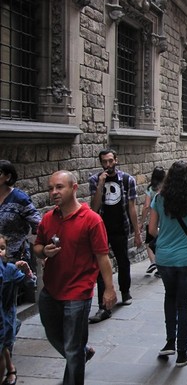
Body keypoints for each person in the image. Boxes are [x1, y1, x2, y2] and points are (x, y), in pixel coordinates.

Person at [34, 170, 117, 385]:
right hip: (51, 290)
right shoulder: (48, 218)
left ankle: (76, 360)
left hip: (78, 293)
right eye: (51, 188)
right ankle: (80, 354)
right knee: (55, 336)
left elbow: (102, 257)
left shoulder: (92, 220)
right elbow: (37, 246)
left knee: (72, 347)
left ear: (74, 188)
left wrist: (109, 289)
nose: (54, 192)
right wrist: (44, 251)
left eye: (59, 187)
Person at [148, 161, 187, 368]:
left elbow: (152, 230)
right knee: (184, 302)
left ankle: (169, 342)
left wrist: (167, 233)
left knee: (169, 297)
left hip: (164, 257)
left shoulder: (159, 198)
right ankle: (182, 351)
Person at [89, 149, 141, 322]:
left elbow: (132, 207)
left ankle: (125, 291)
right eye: (104, 162)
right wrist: (100, 186)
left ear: (116, 161)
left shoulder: (127, 180)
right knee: (101, 266)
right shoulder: (95, 180)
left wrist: (137, 232)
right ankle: (104, 306)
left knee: (123, 260)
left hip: (121, 227)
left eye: (110, 161)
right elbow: (94, 208)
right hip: (101, 229)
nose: (108, 165)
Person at [0, 160, 41, 295]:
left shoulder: (19, 198)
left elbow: (37, 223)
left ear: (8, 176)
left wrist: (40, 247)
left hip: (12, 257)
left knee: (7, 298)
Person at [0, 234, 35, 385]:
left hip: (4, 318)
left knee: (2, 350)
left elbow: (29, 284)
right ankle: (11, 369)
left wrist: (27, 271)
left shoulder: (10, 270)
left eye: (2, 248)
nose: (0, 251)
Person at [140, 166, 165, 277]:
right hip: (165, 219)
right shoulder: (167, 188)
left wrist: (141, 221)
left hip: (154, 219)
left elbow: (146, 206)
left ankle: (153, 262)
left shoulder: (151, 189)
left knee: (149, 242)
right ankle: (160, 265)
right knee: (161, 242)